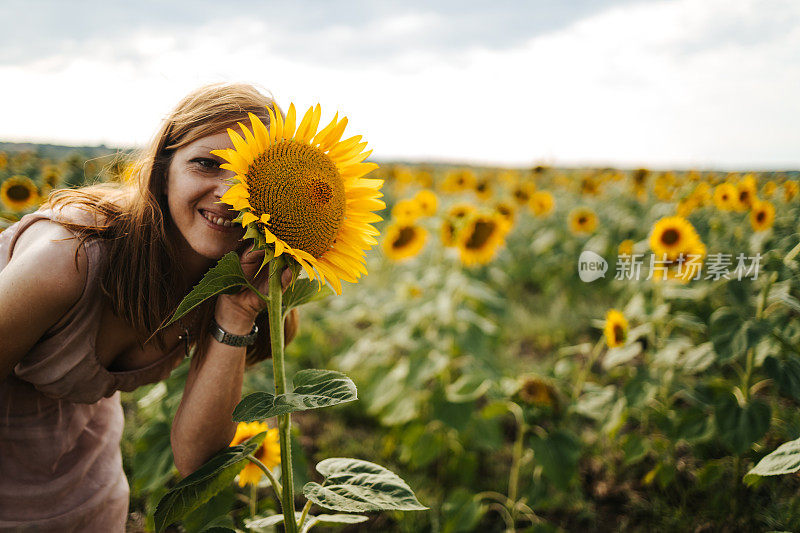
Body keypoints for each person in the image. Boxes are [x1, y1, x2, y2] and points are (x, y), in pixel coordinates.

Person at [0, 83, 299, 532]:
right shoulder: (69, 258)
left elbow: (195, 460)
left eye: (254, 176)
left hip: (84, 471)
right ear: (163, 170)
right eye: (207, 164)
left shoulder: (226, 274)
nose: (230, 194)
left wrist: (237, 311)